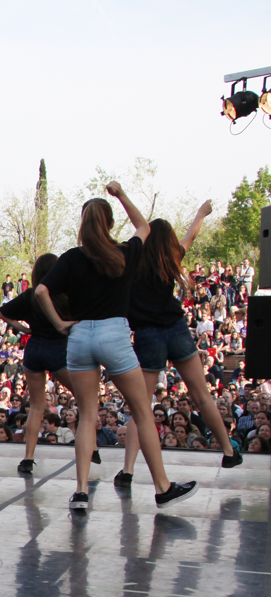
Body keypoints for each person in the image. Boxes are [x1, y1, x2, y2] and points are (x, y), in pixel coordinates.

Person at [36, 182, 196, 511]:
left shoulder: (71, 258)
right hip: (114, 336)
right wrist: (121, 195)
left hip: (80, 339)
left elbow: (40, 292)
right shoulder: (124, 253)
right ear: (109, 223)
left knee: (86, 416)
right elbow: (144, 227)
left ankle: (80, 491)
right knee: (141, 412)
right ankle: (162, 487)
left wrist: (59, 323)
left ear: (82, 223)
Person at [118, 201, 242, 485]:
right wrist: (200, 213)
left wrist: (122, 197)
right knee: (201, 394)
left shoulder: (132, 263)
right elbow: (192, 235)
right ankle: (228, 451)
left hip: (148, 334)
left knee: (141, 405)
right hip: (176, 328)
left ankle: (128, 470)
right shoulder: (171, 258)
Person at [0, 253, 101, 473]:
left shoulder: (31, 295)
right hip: (59, 349)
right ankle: (91, 447)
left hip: (35, 349)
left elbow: (2, 312)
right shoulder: (66, 295)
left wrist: (24, 328)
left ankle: (28, 457)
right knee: (85, 400)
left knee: (36, 406)